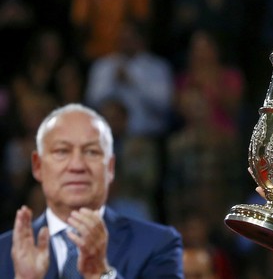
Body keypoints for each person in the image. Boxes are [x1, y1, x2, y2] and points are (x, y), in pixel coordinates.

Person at [0, 103, 183, 278]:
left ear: (110, 167)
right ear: (38, 166)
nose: (77, 165)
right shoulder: (3, 252)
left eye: (92, 152)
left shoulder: (157, 244)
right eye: (62, 151)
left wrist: (102, 273)